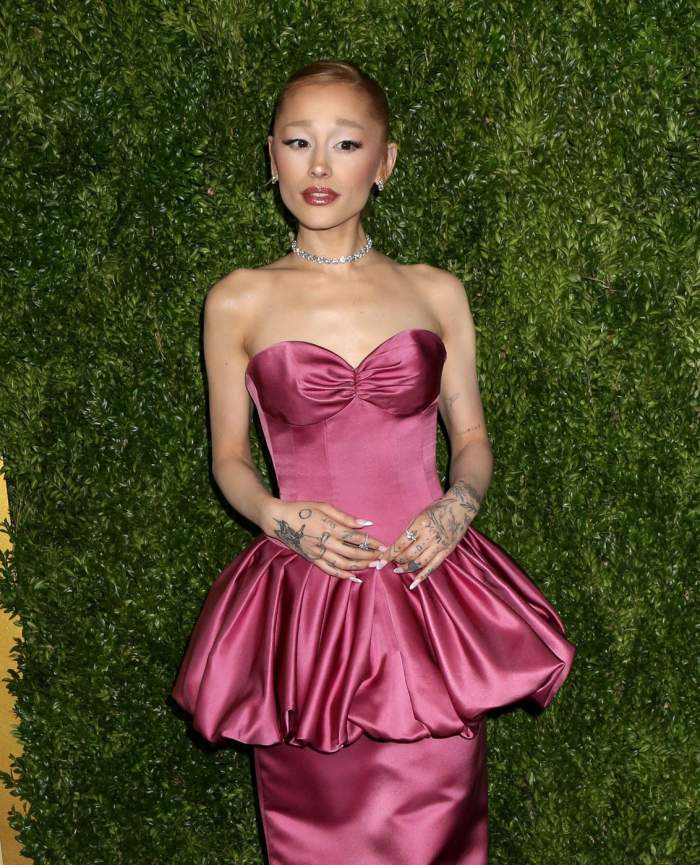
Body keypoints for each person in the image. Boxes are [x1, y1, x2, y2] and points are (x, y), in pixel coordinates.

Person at [171, 58, 576, 865]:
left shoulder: (437, 292)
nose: (320, 166)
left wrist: (458, 506)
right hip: (309, 615)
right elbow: (229, 459)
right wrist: (276, 516)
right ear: (271, 156)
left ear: (385, 162)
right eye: (298, 142)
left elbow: (472, 438)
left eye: (347, 144)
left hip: (427, 600)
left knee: (439, 837)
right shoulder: (237, 298)